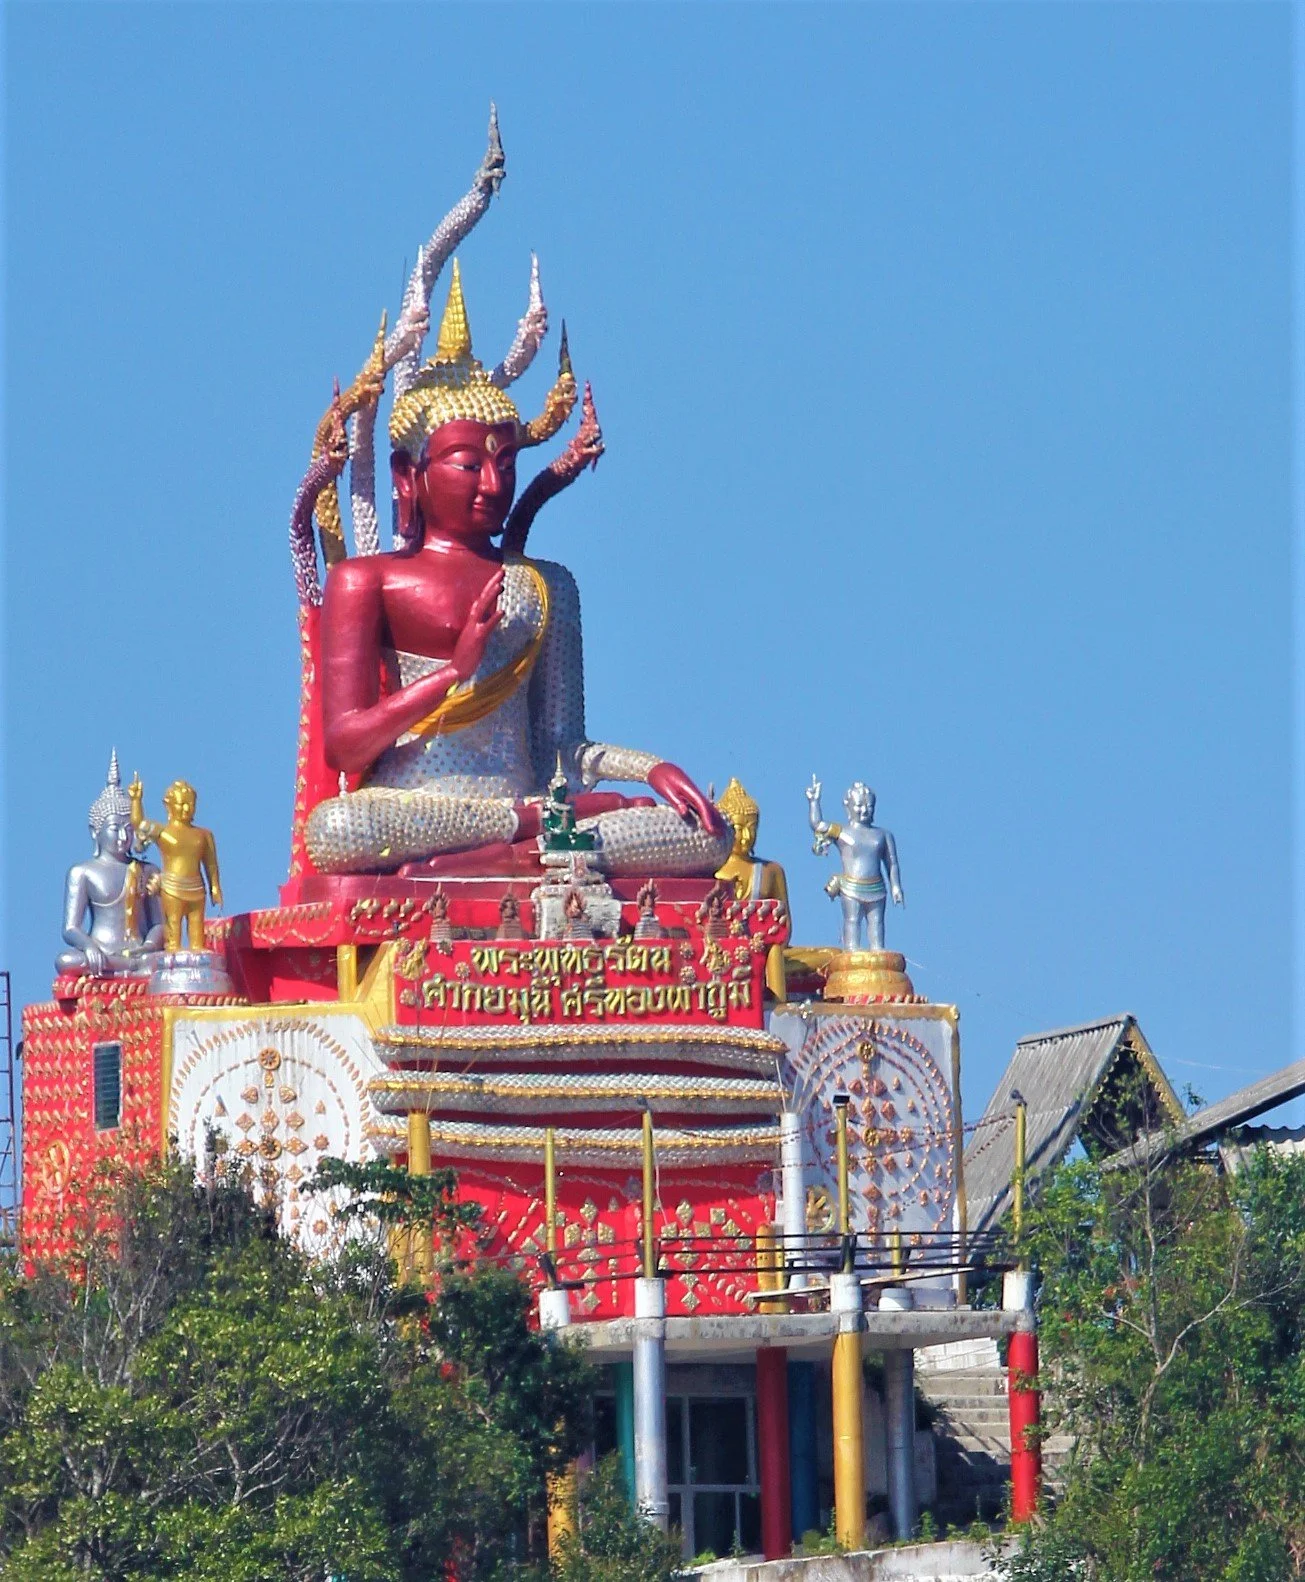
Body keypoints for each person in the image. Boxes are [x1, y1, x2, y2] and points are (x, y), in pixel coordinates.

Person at [304, 265, 728, 878]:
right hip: (414, 812)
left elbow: (563, 747)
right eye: (467, 464)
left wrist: (648, 768)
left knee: (710, 833)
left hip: (539, 806)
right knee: (338, 830)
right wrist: (453, 671)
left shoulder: (548, 587)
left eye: (505, 462)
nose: (493, 484)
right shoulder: (368, 581)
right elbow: (346, 746)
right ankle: (517, 844)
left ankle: (510, 852)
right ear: (407, 475)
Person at [57, 751, 164, 975]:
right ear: (95, 832)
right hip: (101, 954)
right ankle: (128, 969)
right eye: (115, 829)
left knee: (164, 960)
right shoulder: (83, 872)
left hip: (140, 954)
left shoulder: (148, 871)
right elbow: (70, 928)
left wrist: (148, 946)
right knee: (66, 961)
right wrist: (89, 946)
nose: (123, 838)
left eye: (129, 830)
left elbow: (159, 925)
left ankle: (133, 967)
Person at [806, 776, 904, 953]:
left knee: (876, 923)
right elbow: (818, 824)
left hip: (877, 888)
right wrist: (814, 802)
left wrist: (896, 887)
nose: (864, 811)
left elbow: (892, 863)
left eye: (869, 806)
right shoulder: (842, 831)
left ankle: (877, 949)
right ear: (848, 806)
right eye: (859, 806)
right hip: (851, 887)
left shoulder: (883, 834)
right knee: (852, 921)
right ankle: (852, 949)